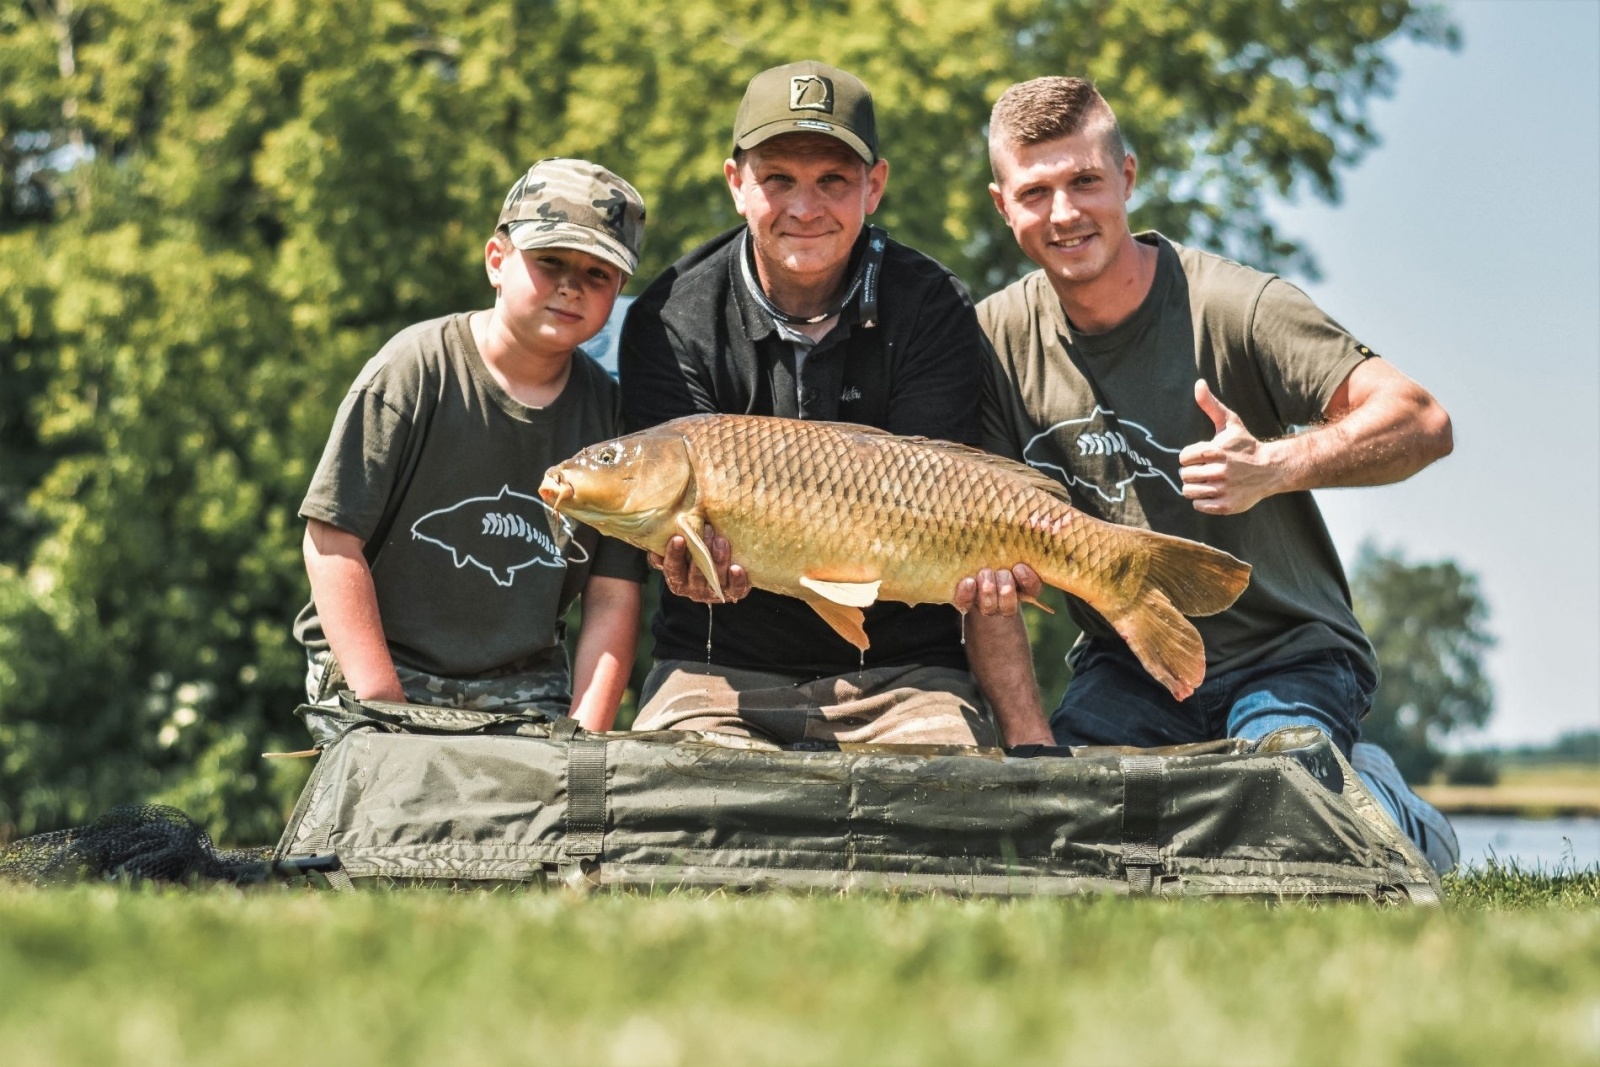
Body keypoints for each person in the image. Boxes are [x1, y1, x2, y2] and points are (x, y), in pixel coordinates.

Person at [970, 76, 1460, 872]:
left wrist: (1276, 464)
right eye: (1037, 191)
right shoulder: (992, 340)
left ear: (1127, 178)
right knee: (1068, 843)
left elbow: (1420, 420)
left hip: (1283, 651)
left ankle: (1391, 806)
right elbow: (980, 560)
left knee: (1279, 815)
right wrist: (1033, 756)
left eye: (1085, 182)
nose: (1064, 213)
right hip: (1126, 659)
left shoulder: (1236, 306)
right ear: (1003, 205)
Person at [619, 60, 1053, 749]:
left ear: (873, 186)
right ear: (737, 184)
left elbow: (942, 506)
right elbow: (669, 530)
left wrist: (1031, 737)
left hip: (904, 673)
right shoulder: (671, 318)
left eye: (832, 181)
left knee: (943, 823)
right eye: (778, 180)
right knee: (674, 818)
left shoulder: (931, 305)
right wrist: (687, 562)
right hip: (716, 672)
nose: (805, 208)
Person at [293, 158, 648, 731]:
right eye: (549, 261)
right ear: (496, 261)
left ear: (619, 290)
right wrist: (387, 711)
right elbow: (331, 544)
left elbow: (611, 595)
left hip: (523, 681)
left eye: (597, 274)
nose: (570, 285)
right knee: (401, 812)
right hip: (380, 665)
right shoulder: (414, 369)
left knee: (535, 818)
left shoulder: (609, 420)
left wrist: (584, 738)